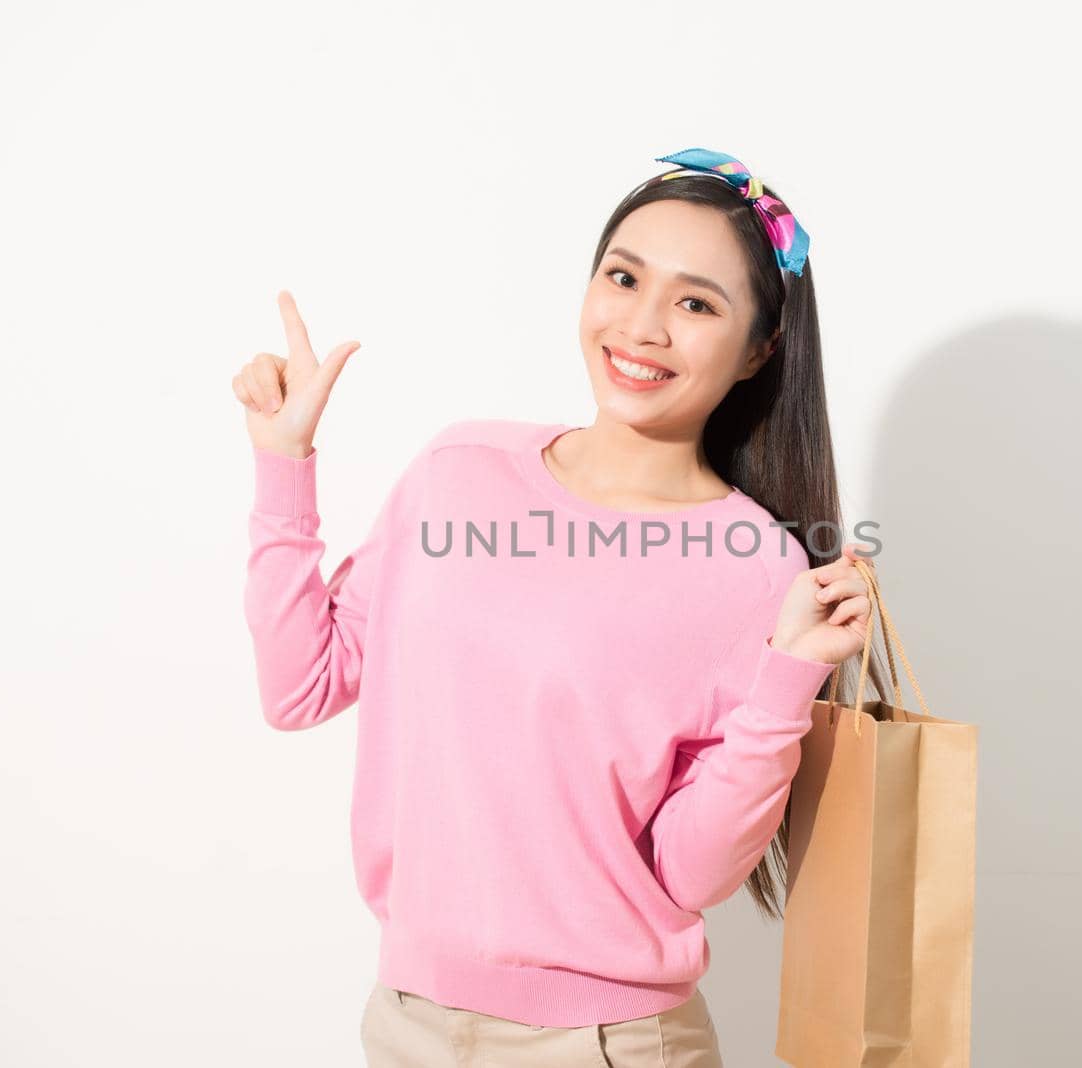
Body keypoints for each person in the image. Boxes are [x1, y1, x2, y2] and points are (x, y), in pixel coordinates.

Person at [233, 148, 884, 1067]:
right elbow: (299, 686)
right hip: (406, 1021)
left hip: (607, 1044)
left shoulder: (756, 569)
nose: (644, 325)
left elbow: (689, 874)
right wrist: (283, 464)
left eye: (696, 303)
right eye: (624, 277)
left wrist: (787, 682)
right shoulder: (457, 472)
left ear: (760, 349)